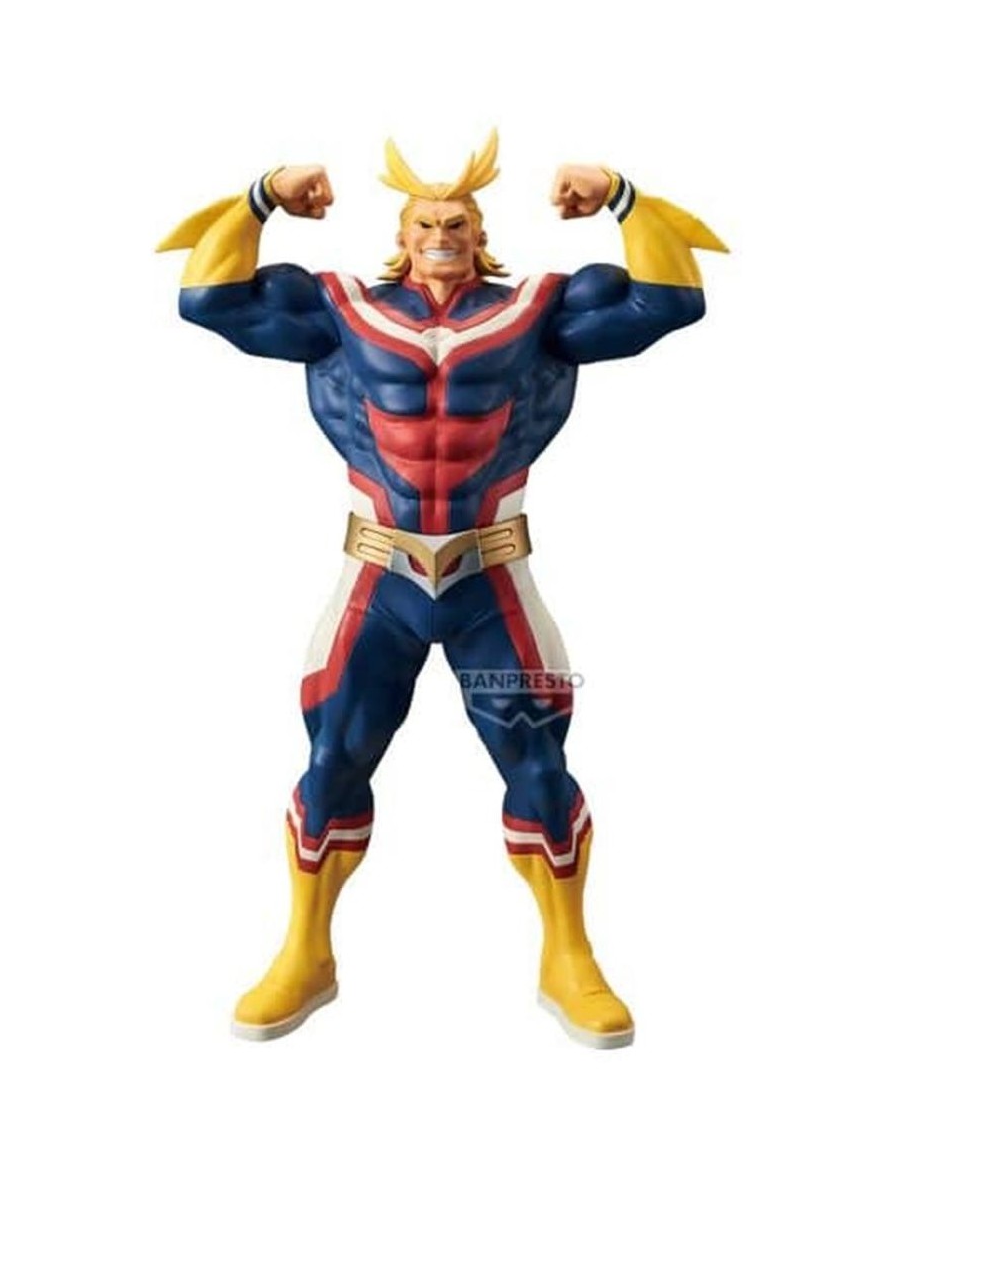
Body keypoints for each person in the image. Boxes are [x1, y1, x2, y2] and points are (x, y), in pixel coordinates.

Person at [158, 131, 725, 1048]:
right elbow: (206, 299)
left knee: (537, 761)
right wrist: (263, 195)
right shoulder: (341, 308)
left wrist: (620, 193)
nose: (440, 235)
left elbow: (670, 301)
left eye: (456, 222)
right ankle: (306, 951)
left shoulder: (537, 309)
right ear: (403, 233)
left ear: (479, 231)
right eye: (425, 223)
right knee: (333, 757)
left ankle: (568, 955)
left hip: (488, 579)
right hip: (378, 578)